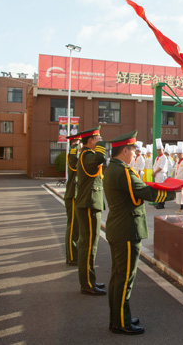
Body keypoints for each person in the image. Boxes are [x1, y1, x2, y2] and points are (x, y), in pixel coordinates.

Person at [103, 130, 175, 335]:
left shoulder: (113, 168)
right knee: (125, 279)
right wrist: (172, 192)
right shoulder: (123, 171)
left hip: (120, 227)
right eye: (133, 149)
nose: (135, 153)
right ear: (124, 150)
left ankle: (119, 317)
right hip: (126, 230)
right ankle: (120, 323)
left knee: (119, 277)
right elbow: (143, 191)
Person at [75, 125, 107, 295]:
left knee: (91, 244)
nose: (100, 140)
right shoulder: (87, 155)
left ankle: (90, 279)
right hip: (88, 204)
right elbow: (101, 157)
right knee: (88, 245)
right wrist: (102, 145)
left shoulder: (87, 155)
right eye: (97, 138)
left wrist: (100, 143)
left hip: (89, 203)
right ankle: (87, 284)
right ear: (90, 141)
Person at [64, 133, 81, 266]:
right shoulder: (72, 155)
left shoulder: (75, 154)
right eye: (78, 143)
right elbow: (74, 161)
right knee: (73, 226)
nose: (80, 145)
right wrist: (75, 146)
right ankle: (71, 256)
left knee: (77, 226)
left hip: (76, 194)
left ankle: (75, 254)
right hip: (73, 194)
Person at [152, 138, 168, 209]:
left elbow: (161, 167)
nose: (158, 151)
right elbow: (154, 166)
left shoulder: (164, 157)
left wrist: (155, 172)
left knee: (161, 190)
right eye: (157, 150)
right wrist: (153, 172)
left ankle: (161, 204)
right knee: (158, 190)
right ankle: (159, 202)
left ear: (163, 149)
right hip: (156, 175)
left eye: (160, 150)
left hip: (161, 175)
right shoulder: (157, 157)